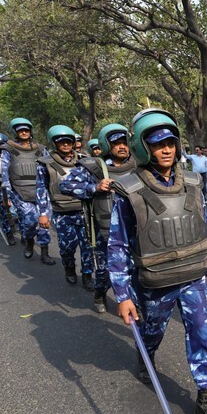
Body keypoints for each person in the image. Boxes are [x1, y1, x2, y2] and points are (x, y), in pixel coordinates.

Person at [108, 109, 207, 414]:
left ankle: (206, 401)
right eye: (157, 144)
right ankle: (145, 351)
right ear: (144, 147)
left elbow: (203, 228)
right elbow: (117, 244)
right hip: (155, 281)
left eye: (170, 143)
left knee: (203, 335)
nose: (166, 150)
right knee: (151, 332)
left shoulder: (192, 182)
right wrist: (122, 295)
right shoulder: (129, 190)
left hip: (193, 276)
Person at [60, 123, 136, 313]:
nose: (121, 146)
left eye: (124, 142)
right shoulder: (93, 166)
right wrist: (94, 188)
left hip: (137, 228)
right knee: (105, 271)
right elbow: (65, 185)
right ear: (106, 145)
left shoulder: (140, 163)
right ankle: (100, 292)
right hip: (106, 230)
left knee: (136, 270)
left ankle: (133, 304)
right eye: (115, 143)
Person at [36, 125, 94, 290]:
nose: (66, 145)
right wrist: (43, 214)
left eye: (69, 141)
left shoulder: (84, 160)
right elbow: (41, 189)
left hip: (84, 210)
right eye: (61, 142)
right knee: (67, 247)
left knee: (88, 246)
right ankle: (69, 268)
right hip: (62, 212)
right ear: (54, 143)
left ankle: (88, 275)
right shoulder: (45, 163)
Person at [1, 118, 55, 264]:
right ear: (16, 132)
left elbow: (50, 168)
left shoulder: (40, 149)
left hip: (41, 192)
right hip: (20, 192)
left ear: (30, 131)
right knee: (30, 222)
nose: (24, 132)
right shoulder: (9, 149)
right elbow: (4, 172)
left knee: (44, 224)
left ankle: (44, 252)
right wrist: (7, 195)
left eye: (26, 130)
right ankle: (30, 243)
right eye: (20, 130)